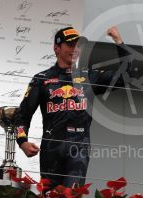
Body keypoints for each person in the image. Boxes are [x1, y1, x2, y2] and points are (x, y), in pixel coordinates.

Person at [13, 26, 131, 188]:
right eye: (70, 45)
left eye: (78, 45)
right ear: (56, 48)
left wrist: (119, 42)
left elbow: (125, 77)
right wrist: (22, 141)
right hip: (51, 148)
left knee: (72, 193)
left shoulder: (89, 76)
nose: (75, 49)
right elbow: (22, 115)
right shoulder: (41, 79)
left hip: (79, 148)